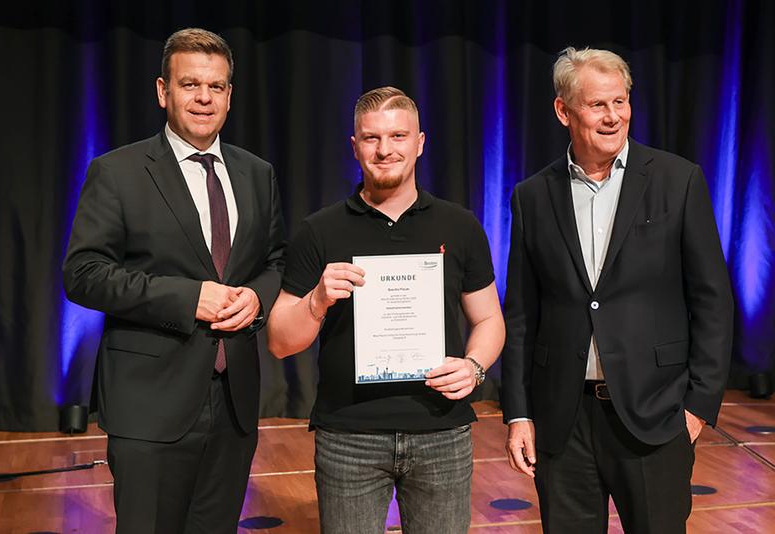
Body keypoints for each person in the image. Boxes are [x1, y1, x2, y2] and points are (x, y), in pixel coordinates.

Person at [501, 47, 734, 533]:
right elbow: (522, 313)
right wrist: (518, 414)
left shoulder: (678, 180)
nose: (613, 117)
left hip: (656, 417)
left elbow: (712, 300)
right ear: (563, 111)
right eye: (597, 105)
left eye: (621, 102)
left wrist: (697, 409)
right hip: (562, 422)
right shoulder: (532, 196)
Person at [63, 28, 285, 533]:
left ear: (230, 95)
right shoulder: (117, 172)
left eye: (217, 86)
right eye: (190, 84)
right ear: (163, 92)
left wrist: (257, 297)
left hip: (234, 404)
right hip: (148, 405)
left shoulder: (257, 173)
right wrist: (189, 298)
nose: (204, 97)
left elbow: (277, 261)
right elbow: (83, 274)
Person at [266, 86, 505, 534]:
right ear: (354, 146)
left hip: (442, 431)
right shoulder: (319, 230)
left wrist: (474, 367)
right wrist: (317, 300)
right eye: (372, 138)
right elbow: (280, 341)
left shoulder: (461, 225)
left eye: (398, 136)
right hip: (348, 438)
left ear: (420, 142)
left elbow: (489, 319)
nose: (385, 149)